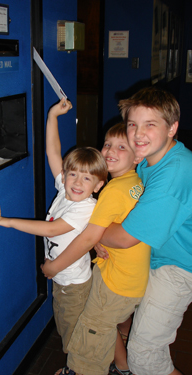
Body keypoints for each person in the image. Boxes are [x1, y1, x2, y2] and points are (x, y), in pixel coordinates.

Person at [0, 98, 108, 354]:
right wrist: (53, 116)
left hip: (72, 284)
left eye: (87, 178)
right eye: (72, 174)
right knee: (67, 326)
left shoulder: (85, 207)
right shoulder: (67, 191)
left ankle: (77, 368)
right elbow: (53, 152)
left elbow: (52, 230)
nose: (77, 182)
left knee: (72, 331)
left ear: (97, 186)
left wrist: (8, 222)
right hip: (63, 279)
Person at [96, 86, 192, 375]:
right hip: (156, 253)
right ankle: (123, 359)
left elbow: (125, 237)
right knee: (120, 313)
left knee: (146, 357)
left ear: (172, 127)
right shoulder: (154, 158)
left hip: (178, 267)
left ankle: (131, 362)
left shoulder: (174, 173)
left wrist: (91, 233)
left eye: (150, 125)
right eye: (132, 124)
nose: (137, 134)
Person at [41, 122, 151, 375]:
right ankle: (123, 366)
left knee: (92, 327)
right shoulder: (135, 181)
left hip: (115, 280)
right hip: (131, 276)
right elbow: (115, 222)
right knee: (103, 324)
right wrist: (100, 239)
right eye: (108, 144)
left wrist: (54, 267)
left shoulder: (111, 191)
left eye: (122, 147)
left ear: (138, 155)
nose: (110, 150)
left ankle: (80, 371)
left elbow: (88, 237)